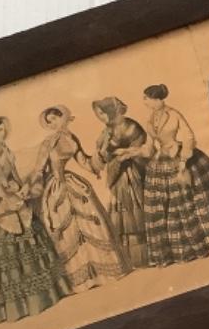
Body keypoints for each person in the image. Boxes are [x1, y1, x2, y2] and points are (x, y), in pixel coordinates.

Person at [0, 117, 72, 326]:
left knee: (29, 248)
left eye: (3, 129)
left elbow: (12, 177)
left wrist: (19, 188)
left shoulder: (6, 151)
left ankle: (40, 300)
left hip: (13, 202)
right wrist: (2, 201)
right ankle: (13, 309)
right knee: (3, 260)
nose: (3, 133)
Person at [138, 84, 209, 265]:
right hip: (161, 160)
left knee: (194, 199)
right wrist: (131, 152)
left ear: (157, 99)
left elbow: (188, 136)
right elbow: (148, 147)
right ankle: (182, 250)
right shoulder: (149, 119)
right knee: (169, 205)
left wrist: (183, 160)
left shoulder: (173, 114)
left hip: (181, 156)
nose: (144, 102)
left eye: (146, 98)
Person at [27, 105, 131, 290]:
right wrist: (34, 190)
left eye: (55, 119)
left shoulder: (72, 138)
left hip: (71, 182)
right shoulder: (48, 143)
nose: (53, 124)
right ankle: (78, 282)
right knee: (65, 230)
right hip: (55, 188)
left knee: (90, 222)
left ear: (63, 117)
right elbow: (38, 170)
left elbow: (84, 162)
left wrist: (101, 156)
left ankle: (98, 274)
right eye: (49, 122)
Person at [91, 96, 149, 268]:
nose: (100, 117)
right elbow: (102, 155)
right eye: (98, 114)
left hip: (132, 173)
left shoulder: (130, 126)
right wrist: (103, 154)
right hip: (116, 175)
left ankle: (146, 256)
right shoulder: (106, 130)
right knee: (120, 214)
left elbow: (142, 147)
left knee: (136, 210)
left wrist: (124, 153)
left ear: (110, 111)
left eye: (102, 113)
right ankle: (129, 259)